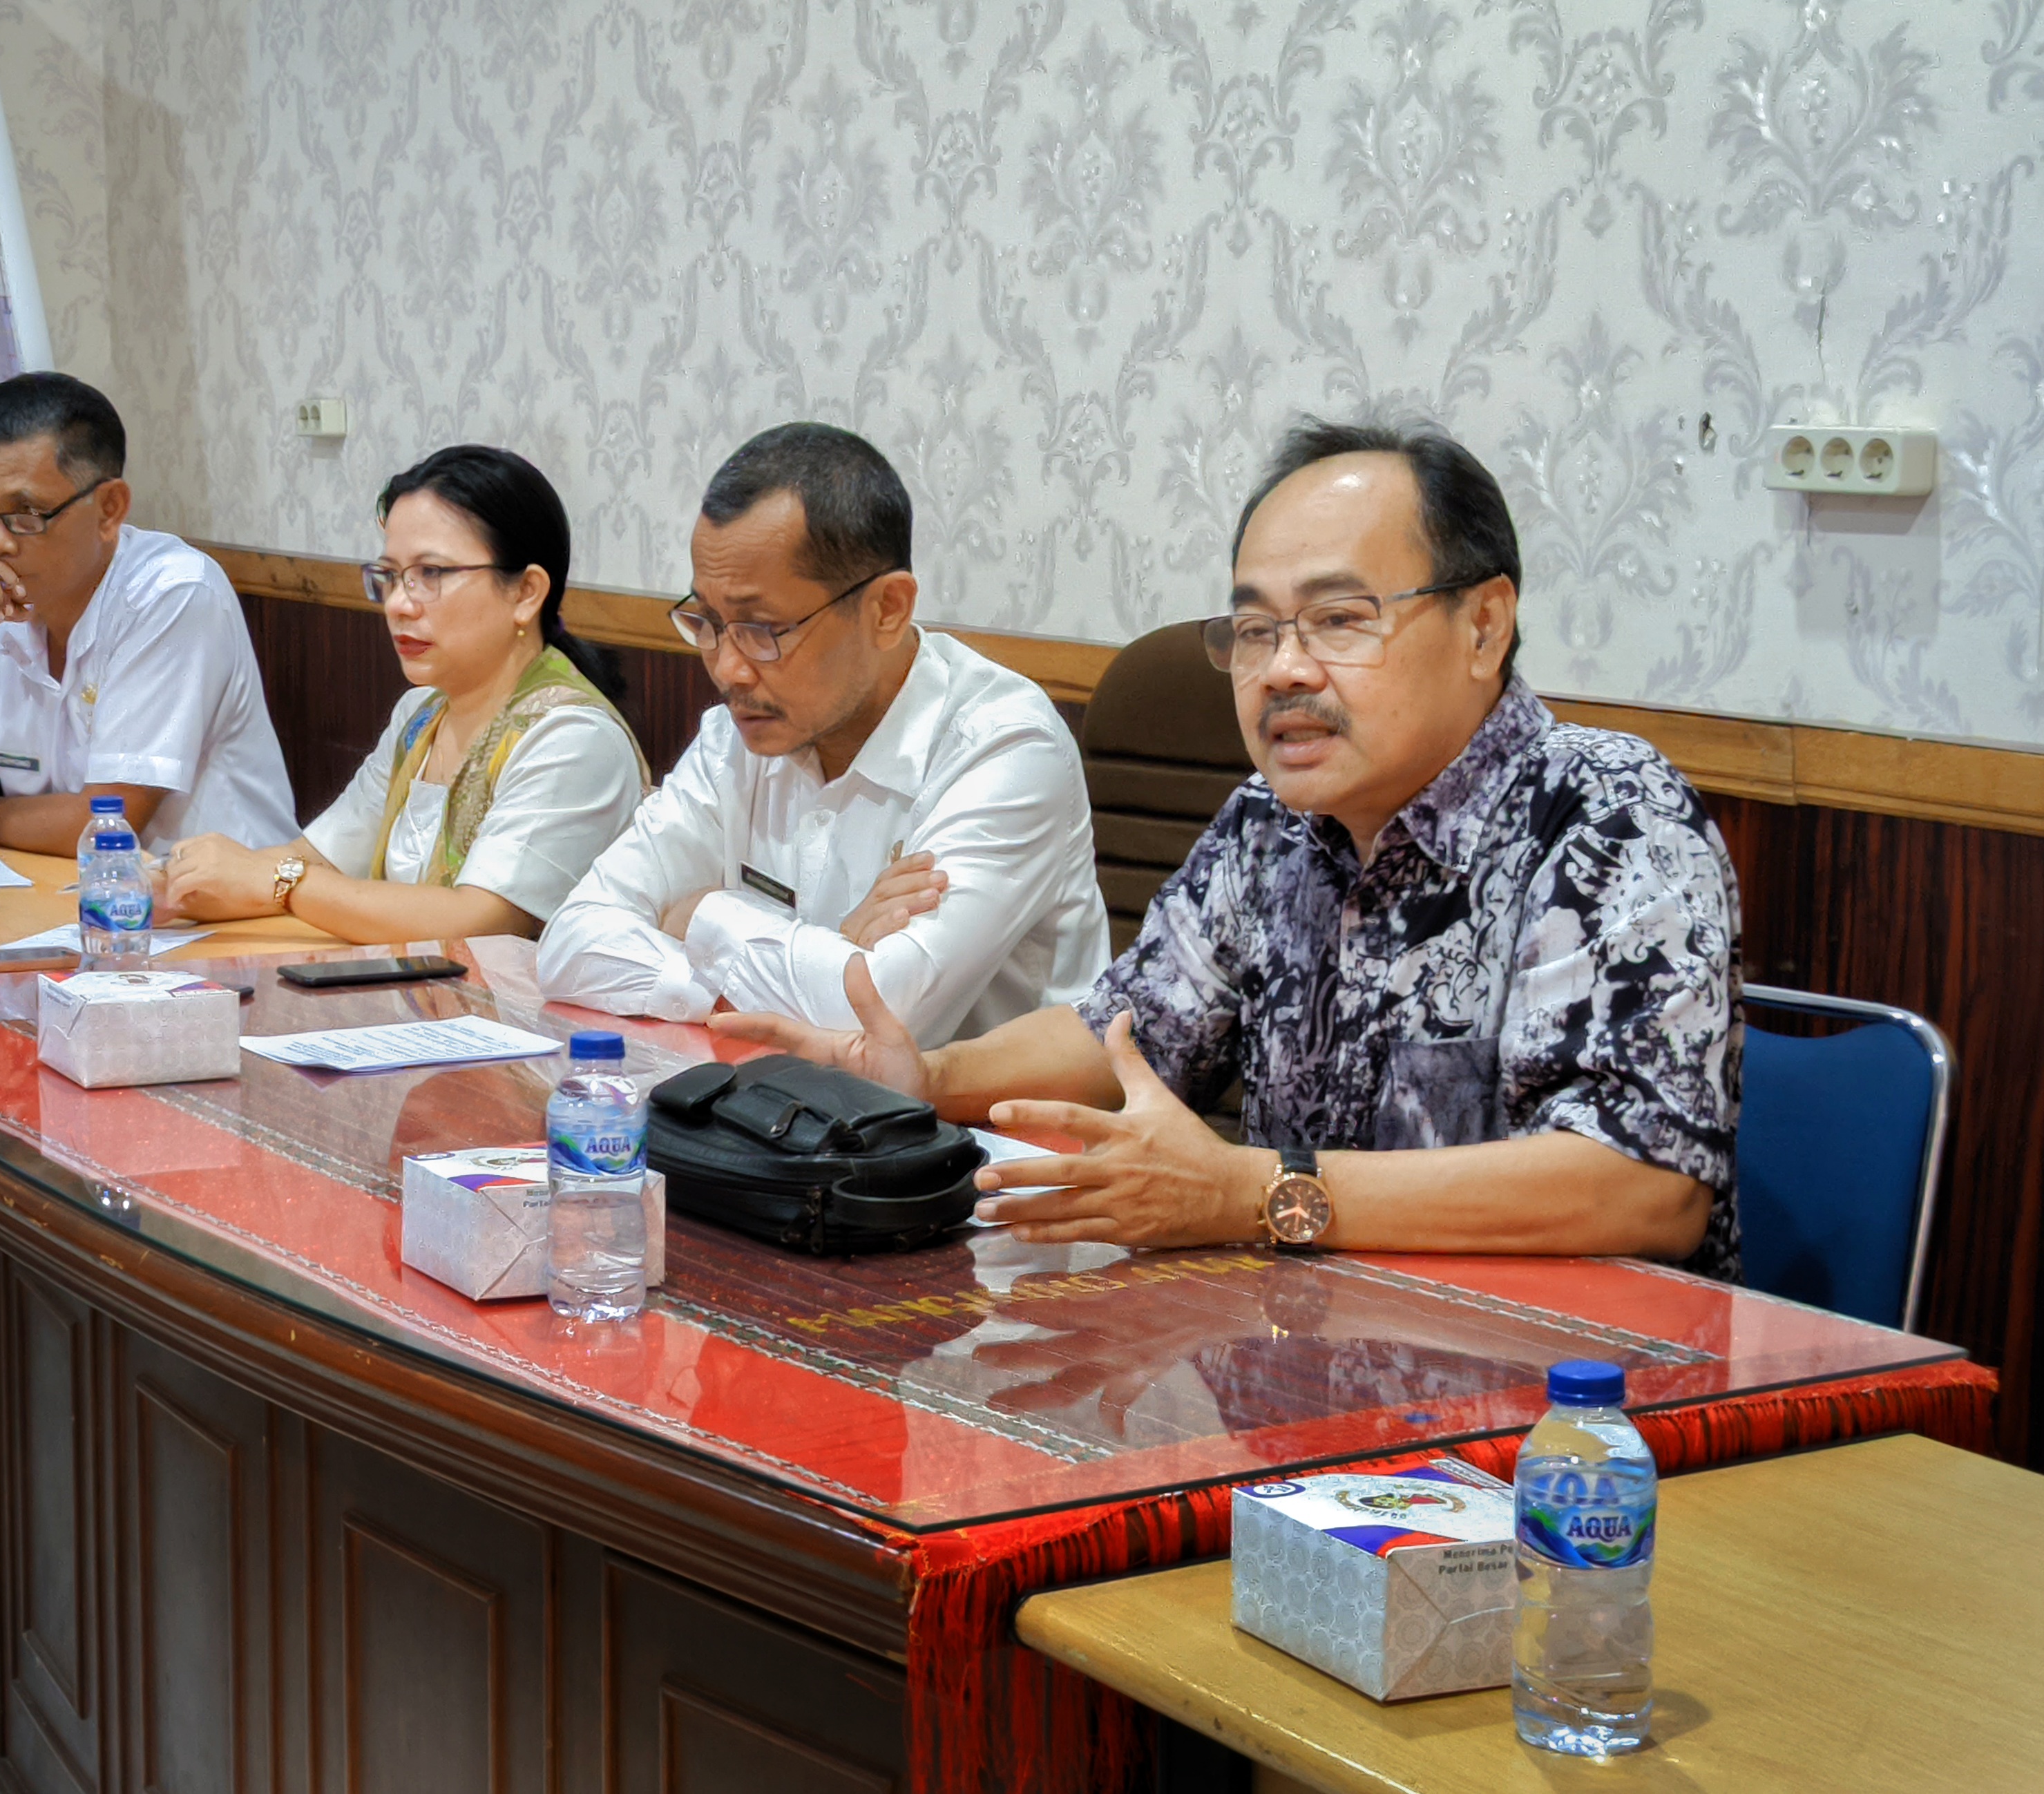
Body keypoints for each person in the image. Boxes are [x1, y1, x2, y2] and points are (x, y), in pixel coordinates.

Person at [716, 419, 1744, 1277]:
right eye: (1254, 631)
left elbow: (1642, 1188)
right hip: (1305, 1362)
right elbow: (1125, 1030)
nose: (1282, 669)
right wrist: (924, 1076)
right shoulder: (1273, 823)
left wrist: (1257, 1193)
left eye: (1338, 619)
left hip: (1569, 1426)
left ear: (1482, 626)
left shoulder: (1608, 816)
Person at [535, 422, 1108, 1047]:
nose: (728, 668)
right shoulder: (740, 734)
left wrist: (695, 915)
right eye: (707, 622)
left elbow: (885, 1023)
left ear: (887, 609)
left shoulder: (1006, 748)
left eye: (763, 629)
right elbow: (570, 942)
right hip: (773, 1106)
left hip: (990, 1133)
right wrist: (835, 947)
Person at [157, 446, 646, 942]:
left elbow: (480, 921)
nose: (398, 604)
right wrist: (173, 882)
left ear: (525, 593)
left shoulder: (573, 737)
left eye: (430, 575)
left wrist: (281, 883)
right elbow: (318, 858)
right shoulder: (421, 713)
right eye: (390, 576)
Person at [0, 372, 298, 856]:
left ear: (109, 509)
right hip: (82, 898)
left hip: (223, 913)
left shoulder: (172, 592)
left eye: (27, 512)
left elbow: (108, 823)